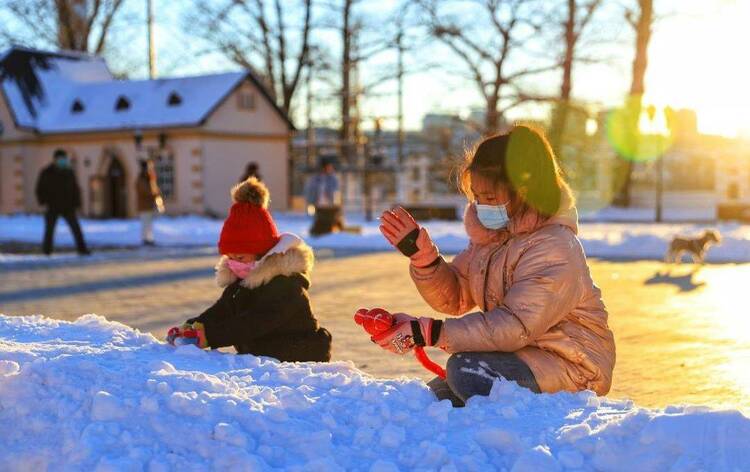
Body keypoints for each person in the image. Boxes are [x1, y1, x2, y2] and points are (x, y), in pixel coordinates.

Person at [375, 125, 615, 406]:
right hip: (523, 355)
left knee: (464, 371)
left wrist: (429, 332)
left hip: (573, 366)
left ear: (523, 192)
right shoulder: (492, 240)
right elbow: (456, 298)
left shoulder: (554, 247)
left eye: (490, 199)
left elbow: (513, 326)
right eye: (477, 197)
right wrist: (425, 259)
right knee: (435, 399)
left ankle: (521, 431)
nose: (481, 207)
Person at [167, 177, 332, 362]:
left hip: (300, 363)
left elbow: (252, 323)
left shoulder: (286, 285)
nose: (234, 263)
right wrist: (194, 326)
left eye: (240, 257)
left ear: (262, 254)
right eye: (230, 257)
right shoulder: (243, 282)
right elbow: (222, 310)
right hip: (268, 361)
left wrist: (208, 337)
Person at [35, 149, 90, 256]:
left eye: (64, 159)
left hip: (68, 205)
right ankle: (47, 250)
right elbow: (39, 188)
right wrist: (43, 202)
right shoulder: (47, 172)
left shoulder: (69, 172)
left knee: (76, 228)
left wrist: (77, 204)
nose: (63, 161)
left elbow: (75, 189)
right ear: (55, 159)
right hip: (53, 205)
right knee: (49, 230)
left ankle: (82, 249)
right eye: (61, 159)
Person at [304, 160, 343, 235]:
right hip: (319, 206)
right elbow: (310, 191)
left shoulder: (333, 179)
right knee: (320, 223)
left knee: (330, 222)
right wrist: (311, 202)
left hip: (331, 206)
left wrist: (337, 203)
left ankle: (333, 233)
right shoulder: (315, 179)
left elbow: (336, 192)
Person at [135, 160, 162, 246]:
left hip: (149, 205)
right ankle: (145, 239)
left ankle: (149, 238)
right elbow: (145, 191)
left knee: (149, 223)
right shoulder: (141, 179)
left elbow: (154, 189)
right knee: (145, 222)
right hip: (144, 205)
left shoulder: (149, 179)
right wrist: (153, 193)